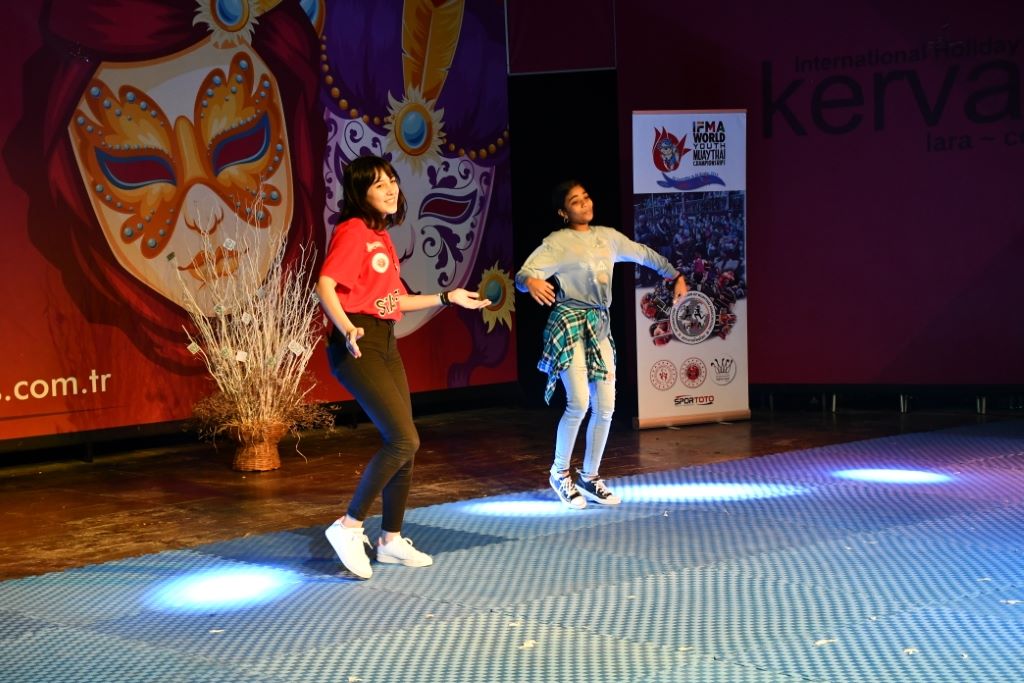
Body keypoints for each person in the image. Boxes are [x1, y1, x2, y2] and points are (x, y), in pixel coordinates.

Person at [316, 155, 490, 579]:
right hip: (357, 343)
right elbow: (325, 285)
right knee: (402, 439)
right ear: (361, 193)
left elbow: (393, 301)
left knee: (406, 443)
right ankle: (348, 525)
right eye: (379, 184)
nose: (390, 188)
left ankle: (390, 540)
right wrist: (346, 328)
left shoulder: (381, 237)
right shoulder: (353, 231)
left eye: (392, 180)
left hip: (384, 340)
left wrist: (448, 297)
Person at [516, 180, 688, 509]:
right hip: (570, 324)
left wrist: (674, 275)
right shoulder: (557, 243)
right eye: (575, 201)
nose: (584, 203)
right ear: (563, 212)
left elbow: (642, 254)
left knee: (606, 405)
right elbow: (524, 275)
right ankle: (559, 473)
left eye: (586, 197)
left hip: (598, 326)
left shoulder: (607, 237)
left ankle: (590, 476)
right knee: (579, 402)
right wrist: (532, 281)